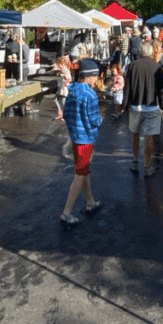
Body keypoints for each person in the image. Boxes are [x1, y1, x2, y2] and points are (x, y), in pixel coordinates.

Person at [60, 59, 104, 227]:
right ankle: (66, 213)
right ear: (88, 76)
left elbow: (65, 114)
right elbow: (95, 120)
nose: (97, 79)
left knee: (83, 170)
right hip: (85, 138)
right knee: (80, 174)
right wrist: (100, 120)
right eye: (95, 76)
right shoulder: (90, 95)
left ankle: (90, 202)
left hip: (75, 136)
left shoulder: (72, 90)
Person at [120, 39, 163, 177]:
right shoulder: (156, 66)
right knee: (148, 136)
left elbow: (127, 87)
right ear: (151, 53)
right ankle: (147, 165)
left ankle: (135, 161)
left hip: (135, 105)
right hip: (152, 107)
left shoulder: (132, 66)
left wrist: (124, 104)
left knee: (134, 133)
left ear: (139, 52)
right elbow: (162, 88)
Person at [53, 54, 72, 120]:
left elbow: (69, 78)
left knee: (62, 100)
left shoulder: (63, 68)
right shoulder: (62, 67)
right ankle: (60, 113)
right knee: (57, 100)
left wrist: (63, 76)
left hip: (63, 87)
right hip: (61, 86)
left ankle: (65, 114)